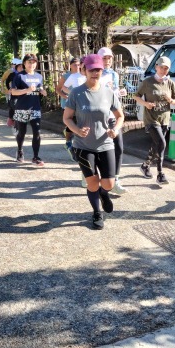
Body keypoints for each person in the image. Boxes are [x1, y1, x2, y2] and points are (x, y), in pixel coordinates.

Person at [63, 53, 124, 230]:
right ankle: (97, 212)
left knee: (109, 184)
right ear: (84, 71)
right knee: (92, 182)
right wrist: (77, 130)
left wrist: (115, 129)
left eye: (98, 70)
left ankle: (104, 194)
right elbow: (67, 118)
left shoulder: (108, 92)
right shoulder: (76, 93)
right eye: (91, 70)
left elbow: (120, 116)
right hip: (83, 146)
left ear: (102, 71)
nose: (95, 73)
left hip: (105, 144)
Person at [134, 56, 175, 187]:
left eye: (166, 68)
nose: (163, 70)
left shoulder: (170, 83)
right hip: (151, 118)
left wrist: (170, 100)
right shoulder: (147, 82)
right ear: (156, 67)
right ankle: (160, 174)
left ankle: (145, 165)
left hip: (164, 118)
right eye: (161, 67)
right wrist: (146, 104)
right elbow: (136, 96)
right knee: (161, 143)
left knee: (156, 145)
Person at [97, 47, 128, 195]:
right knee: (98, 149)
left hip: (112, 116)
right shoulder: (94, 73)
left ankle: (115, 179)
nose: (107, 61)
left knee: (119, 147)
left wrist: (120, 92)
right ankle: (92, 175)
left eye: (109, 58)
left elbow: (113, 93)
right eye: (104, 58)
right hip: (98, 117)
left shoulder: (114, 74)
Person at [11, 53, 47, 166]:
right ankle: (20, 150)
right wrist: (26, 90)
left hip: (35, 108)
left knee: (37, 132)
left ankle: (36, 157)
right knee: (22, 132)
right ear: (24, 63)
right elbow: (13, 92)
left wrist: (43, 92)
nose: (31, 64)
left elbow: (41, 88)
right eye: (29, 62)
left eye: (34, 62)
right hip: (22, 108)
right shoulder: (19, 76)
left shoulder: (39, 76)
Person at [56, 57, 80, 155]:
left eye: (79, 65)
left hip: (79, 103)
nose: (77, 67)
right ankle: (68, 141)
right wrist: (65, 97)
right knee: (70, 122)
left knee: (78, 122)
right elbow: (58, 89)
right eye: (75, 65)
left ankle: (77, 142)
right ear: (70, 66)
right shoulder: (66, 76)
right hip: (68, 103)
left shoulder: (83, 75)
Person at [4, 59, 23, 127]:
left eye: (21, 66)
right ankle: (13, 121)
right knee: (13, 106)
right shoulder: (11, 74)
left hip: (22, 94)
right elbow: (6, 82)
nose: (20, 67)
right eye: (14, 65)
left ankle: (16, 121)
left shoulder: (24, 74)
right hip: (13, 94)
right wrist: (8, 89)